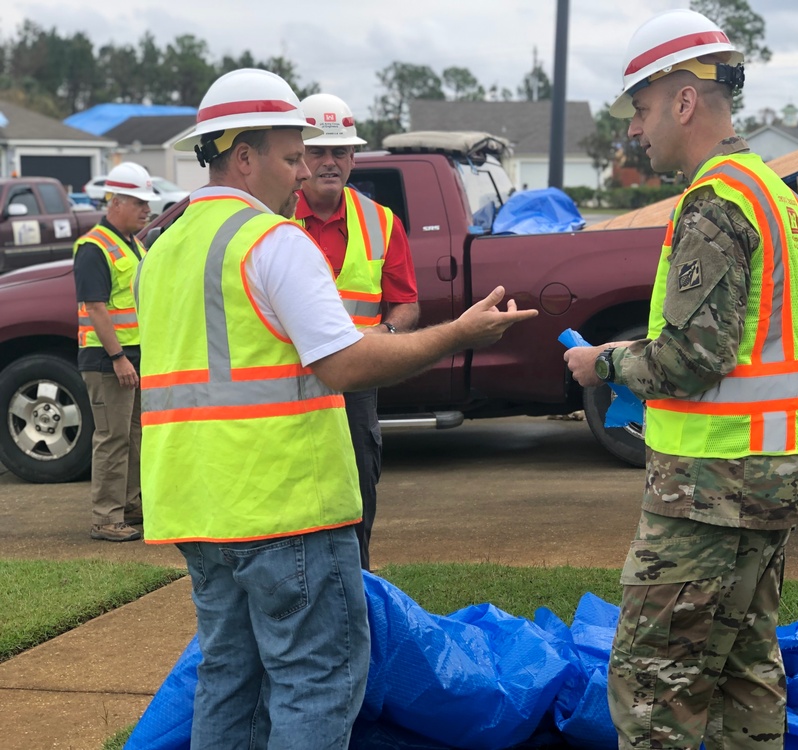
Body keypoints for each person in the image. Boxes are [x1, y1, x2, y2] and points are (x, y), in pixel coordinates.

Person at [135, 68, 535, 750]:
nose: (301, 172)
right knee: (316, 680)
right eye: (292, 156)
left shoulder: (163, 249)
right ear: (243, 155)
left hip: (197, 509)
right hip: (282, 505)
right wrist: (461, 334)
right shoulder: (271, 242)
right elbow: (345, 364)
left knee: (229, 674)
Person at [564, 9, 798, 749]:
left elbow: (688, 360)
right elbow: (744, 346)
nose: (636, 130)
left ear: (683, 100)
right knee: (746, 675)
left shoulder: (715, 204)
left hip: (708, 491)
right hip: (770, 479)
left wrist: (603, 362)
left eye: (641, 109)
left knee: (652, 695)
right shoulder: (775, 196)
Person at [294, 92, 419, 571]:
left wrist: (384, 335)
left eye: (339, 151)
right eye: (318, 150)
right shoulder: (270, 219)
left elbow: (405, 302)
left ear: (353, 158)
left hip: (355, 386)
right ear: (300, 155)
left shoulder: (381, 222)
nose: (329, 162)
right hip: (288, 383)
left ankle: (357, 584)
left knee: (359, 492)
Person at [73, 161, 156, 542]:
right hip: (108, 361)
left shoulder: (132, 243)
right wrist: (118, 356)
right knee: (112, 438)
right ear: (116, 201)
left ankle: (130, 505)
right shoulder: (93, 248)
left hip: (131, 357)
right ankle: (106, 518)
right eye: (138, 202)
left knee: (134, 435)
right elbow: (96, 308)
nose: (146, 209)